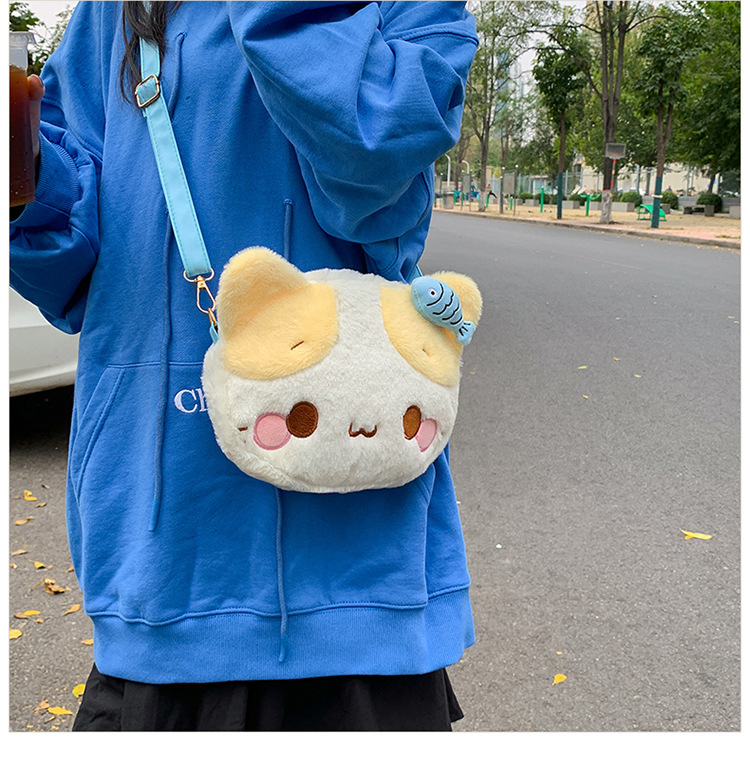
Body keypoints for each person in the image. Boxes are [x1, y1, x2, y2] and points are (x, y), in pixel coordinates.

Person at [10, 1, 479, 731]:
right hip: (164, 548)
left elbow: (376, 173)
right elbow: (75, 267)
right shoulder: (112, 13)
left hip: (357, 583)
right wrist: (32, 178)